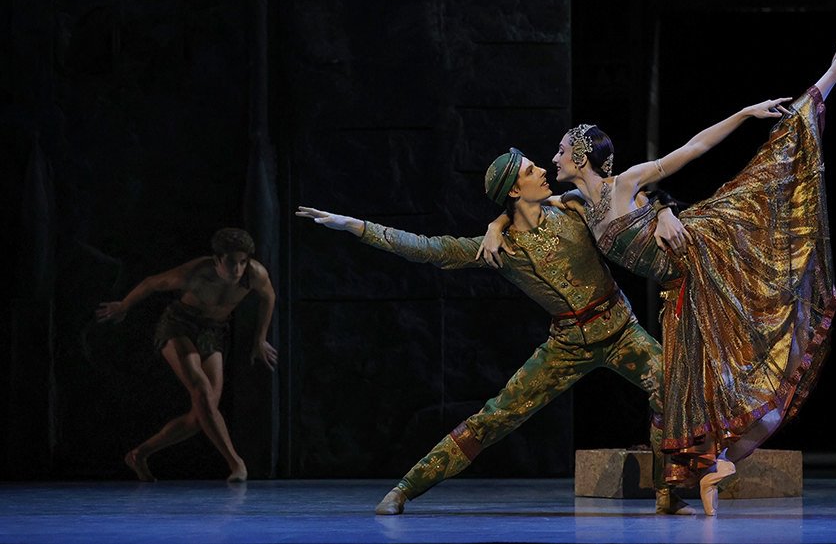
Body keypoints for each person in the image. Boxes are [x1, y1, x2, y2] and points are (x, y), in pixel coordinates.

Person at [482, 18, 836, 515]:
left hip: (707, 247)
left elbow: (692, 148)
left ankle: (827, 80)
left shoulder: (626, 184)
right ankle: (714, 468)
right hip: (681, 289)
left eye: (559, 151)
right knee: (693, 385)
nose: (552, 158)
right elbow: (523, 207)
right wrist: (495, 227)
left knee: (764, 184)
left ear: (580, 156)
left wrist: (744, 114)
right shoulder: (575, 202)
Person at [295, 149, 696, 515]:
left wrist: (664, 211)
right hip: (568, 346)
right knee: (494, 418)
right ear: (515, 189)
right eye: (530, 170)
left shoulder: (573, 208)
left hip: (620, 329)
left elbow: (635, 195)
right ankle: (405, 488)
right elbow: (428, 248)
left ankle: (667, 493)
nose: (542, 170)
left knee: (671, 387)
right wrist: (356, 226)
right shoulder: (500, 248)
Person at [96, 228, 278, 482]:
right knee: (202, 392)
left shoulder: (255, 275)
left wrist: (260, 339)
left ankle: (139, 454)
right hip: (179, 325)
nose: (237, 270)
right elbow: (152, 283)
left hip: (212, 331)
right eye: (231, 262)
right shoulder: (195, 273)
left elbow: (269, 296)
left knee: (203, 413)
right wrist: (123, 305)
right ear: (216, 259)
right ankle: (236, 463)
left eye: (243, 262)